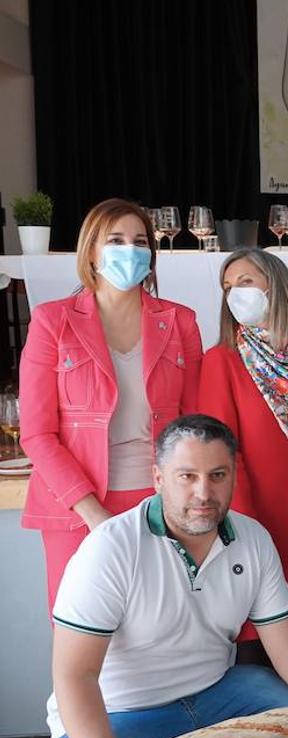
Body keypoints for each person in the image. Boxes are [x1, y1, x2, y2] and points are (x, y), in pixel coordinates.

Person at [48, 414, 288, 738]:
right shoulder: (109, 548)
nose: (203, 493)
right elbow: (74, 675)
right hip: (120, 712)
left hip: (217, 694)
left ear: (234, 476)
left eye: (217, 476)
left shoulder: (253, 539)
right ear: (159, 479)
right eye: (187, 476)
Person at [20, 198, 203, 611]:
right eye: (116, 239)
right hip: (78, 508)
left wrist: (183, 500)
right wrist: (93, 515)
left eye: (140, 241)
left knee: (162, 628)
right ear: (91, 251)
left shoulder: (181, 321)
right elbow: (36, 433)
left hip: (161, 502)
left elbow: (193, 426)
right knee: (83, 640)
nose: (130, 250)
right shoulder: (53, 321)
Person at [198, 247, 288, 666]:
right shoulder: (221, 361)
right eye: (227, 287)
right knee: (258, 642)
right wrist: (241, 529)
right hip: (257, 519)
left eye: (245, 282)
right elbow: (219, 454)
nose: (234, 294)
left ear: (274, 287)